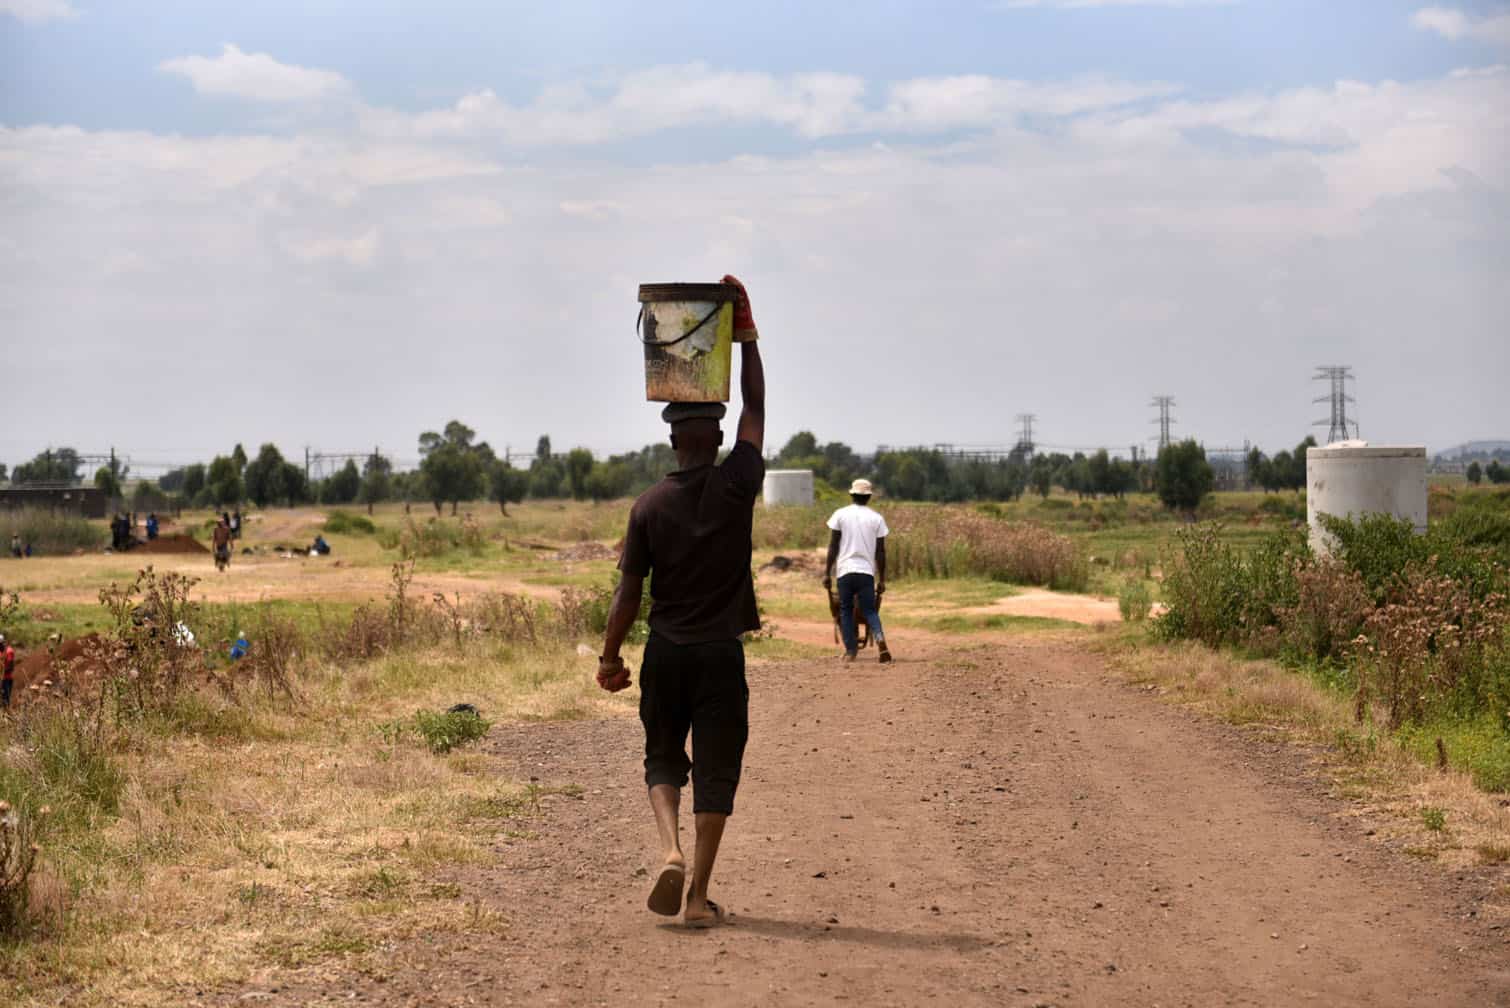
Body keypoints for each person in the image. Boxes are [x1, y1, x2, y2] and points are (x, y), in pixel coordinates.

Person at [597, 274, 765, 929]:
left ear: (672, 440)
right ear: (716, 439)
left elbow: (627, 593)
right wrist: (746, 335)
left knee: (662, 757)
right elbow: (755, 407)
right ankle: (696, 896)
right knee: (717, 771)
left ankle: (667, 848)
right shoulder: (737, 486)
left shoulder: (648, 507)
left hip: (665, 652)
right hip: (719, 654)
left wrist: (611, 657)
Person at [823, 478, 892, 664]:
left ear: (851, 495)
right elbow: (881, 552)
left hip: (845, 571)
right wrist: (882, 578)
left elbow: (833, 546)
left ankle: (851, 651)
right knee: (870, 610)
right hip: (866, 573)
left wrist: (826, 572)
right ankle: (880, 639)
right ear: (869, 497)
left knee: (845, 610)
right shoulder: (876, 518)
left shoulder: (840, 514)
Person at [1, 635, 14, 709]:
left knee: (5, 699)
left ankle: (6, 715)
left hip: (6, 679)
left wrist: (2, 671)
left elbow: (10, 666)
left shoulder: (9, 651)